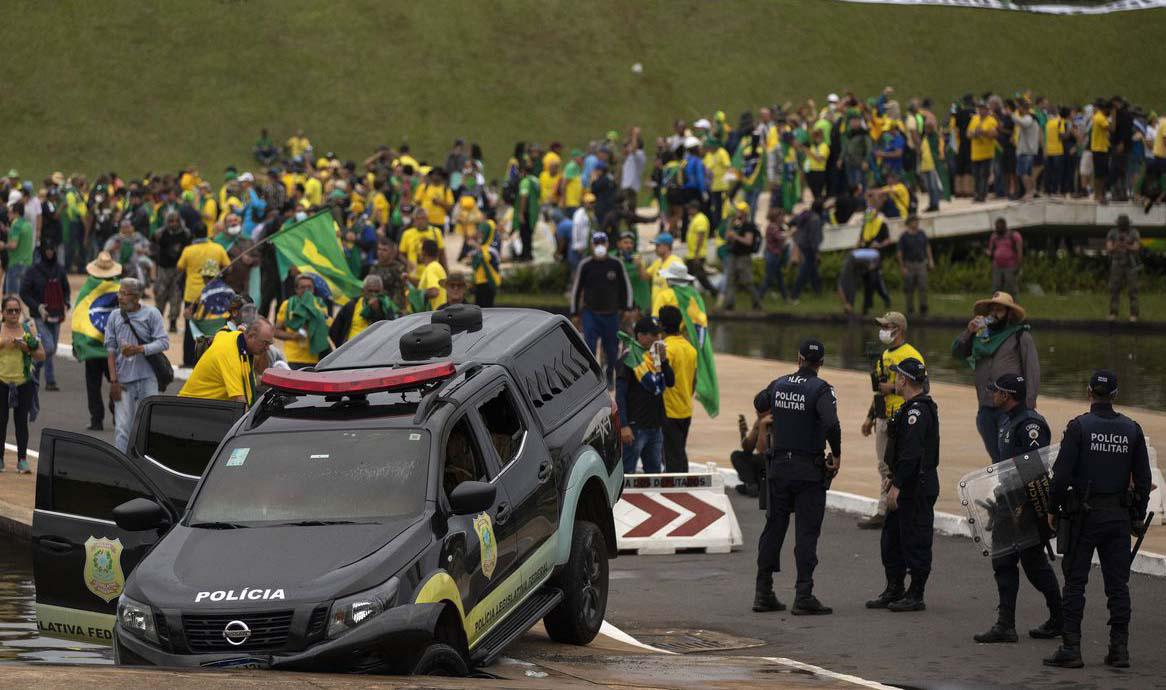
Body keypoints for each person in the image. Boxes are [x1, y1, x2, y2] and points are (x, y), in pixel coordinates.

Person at [1044, 371, 1152, 669]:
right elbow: (1143, 479)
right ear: (1115, 395)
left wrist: (1052, 509)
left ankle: (1071, 648)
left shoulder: (1079, 427)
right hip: (1117, 516)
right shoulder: (1132, 429)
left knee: (1075, 583)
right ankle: (1119, 650)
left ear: (1089, 391)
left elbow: (1061, 475)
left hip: (1083, 516)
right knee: (1118, 584)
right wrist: (1136, 515)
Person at [972, 374, 1062, 644]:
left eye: (997, 391)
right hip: (1006, 501)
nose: (993, 395)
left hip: (1023, 504)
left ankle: (1059, 617)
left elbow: (1033, 470)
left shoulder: (1030, 425)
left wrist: (1025, 506)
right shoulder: (1005, 420)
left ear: (1008, 395)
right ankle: (1005, 624)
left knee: (1034, 564)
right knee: (1003, 561)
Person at [753, 339, 840, 615]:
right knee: (806, 533)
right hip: (808, 471)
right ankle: (803, 594)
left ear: (798, 357)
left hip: (779, 467)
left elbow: (759, 401)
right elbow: (831, 423)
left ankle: (763, 591)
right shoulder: (821, 389)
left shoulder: (779, 384)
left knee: (773, 528)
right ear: (821, 363)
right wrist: (836, 454)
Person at [864, 358, 938, 613]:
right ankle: (894, 587)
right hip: (904, 481)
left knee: (916, 538)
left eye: (897, 376)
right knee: (892, 538)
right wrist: (890, 476)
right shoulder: (909, 408)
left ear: (904, 380)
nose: (895, 380)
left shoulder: (918, 411)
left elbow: (912, 454)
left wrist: (897, 485)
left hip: (916, 485)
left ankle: (916, 593)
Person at [952, 291, 1040, 463]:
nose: (994, 313)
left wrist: (1028, 406)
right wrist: (968, 332)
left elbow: (1032, 372)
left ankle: (1016, 489)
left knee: (1013, 458)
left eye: (999, 310)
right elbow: (958, 352)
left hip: (1011, 409)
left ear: (1009, 314)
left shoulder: (1020, 335)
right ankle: (1003, 488)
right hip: (985, 407)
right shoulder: (980, 336)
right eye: (992, 309)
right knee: (997, 459)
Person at [858, 312, 923, 530]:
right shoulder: (884, 355)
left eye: (887, 326)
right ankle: (885, 509)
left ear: (899, 328)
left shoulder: (911, 354)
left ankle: (893, 509)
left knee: (900, 464)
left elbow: (924, 386)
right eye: (882, 326)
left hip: (902, 416)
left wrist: (894, 388)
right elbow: (879, 390)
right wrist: (870, 417)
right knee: (884, 465)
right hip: (883, 417)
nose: (883, 330)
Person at [103, 278, 169, 452]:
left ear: (137, 297)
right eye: (120, 292)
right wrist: (113, 381)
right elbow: (110, 350)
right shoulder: (114, 316)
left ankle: (145, 464)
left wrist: (140, 349)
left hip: (148, 379)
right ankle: (122, 467)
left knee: (148, 425)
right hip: (123, 382)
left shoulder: (152, 314)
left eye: (125, 294)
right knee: (122, 428)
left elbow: (163, 342)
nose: (120, 297)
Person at [570, 232, 631, 388]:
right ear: (592, 245)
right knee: (589, 347)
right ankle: (593, 378)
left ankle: (610, 373)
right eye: (596, 243)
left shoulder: (616, 264)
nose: (599, 247)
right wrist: (574, 313)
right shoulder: (586, 265)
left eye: (602, 243)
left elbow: (626, 287)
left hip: (611, 315)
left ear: (607, 245)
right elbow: (576, 289)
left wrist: (627, 308)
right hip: (590, 314)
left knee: (611, 350)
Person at [616, 316, 674, 474]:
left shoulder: (655, 359)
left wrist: (663, 361)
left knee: (654, 473)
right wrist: (624, 425)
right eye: (653, 335)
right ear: (640, 335)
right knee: (627, 473)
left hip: (655, 426)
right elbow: (620, 395)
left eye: (659, 335)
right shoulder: (629, 358)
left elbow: (670, 382)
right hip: (635, 427)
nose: (658, 339)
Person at [180, 319, 274, 405]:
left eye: (269, 344)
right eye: (264, 343)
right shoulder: (231, 355)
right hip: (191, 408)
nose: (267, 348)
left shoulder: (236, 338)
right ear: (251, 336)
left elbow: (222, 331)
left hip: (206, 407)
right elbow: (240, 402)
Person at [0, 295, 43, 473]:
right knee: (1, 421)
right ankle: (0, 458)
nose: (13, 314)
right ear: (3, 312)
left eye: (16, 310)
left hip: (23, 382)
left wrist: (26, 347)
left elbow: (42, 355)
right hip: (1, 381)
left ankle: (22, 459)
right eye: (9, 311)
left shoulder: (27, 329)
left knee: (21, 422)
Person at [20, 242, 69, 392]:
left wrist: (66, 303)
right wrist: (38, 307)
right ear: (42, 252)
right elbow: (24, 292)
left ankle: (49, 380)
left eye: (51, 250)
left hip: (56, 314)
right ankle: (32, 370)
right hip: (39, 316)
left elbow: (65, 288)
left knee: (50, 350)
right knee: (48, 346)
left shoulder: (59, 269)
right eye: (47, 250)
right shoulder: (33, 271)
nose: (49, 253)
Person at [659, 305, 696, 473]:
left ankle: (678, 493)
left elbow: (661, 379)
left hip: (669, 409)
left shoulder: (665, 349)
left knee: (672, 457)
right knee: (679, 451)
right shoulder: (690, 349)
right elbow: (693, 380)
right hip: (686, 408)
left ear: (661, 325)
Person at [275, 273, 332, 369]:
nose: (306, 290)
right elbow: (276, 331)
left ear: (313, 289)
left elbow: (325, 328)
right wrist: (293, 336)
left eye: (309, 287)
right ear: (296, 289)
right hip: (292, 357)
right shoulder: (288, 305)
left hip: (314, 358)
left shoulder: (320, 305)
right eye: (302, 287)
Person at [328, 274, 395, 347]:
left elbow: (388, 331)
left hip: (373, 348)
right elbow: (335, 330)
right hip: (350, 348)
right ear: (363, 291)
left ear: (381, 291)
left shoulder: (386, 307)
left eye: (376, 292)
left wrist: (377, 311)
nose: (373, 294)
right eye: (370, 291)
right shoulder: (352, 305)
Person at [152, 212, 192, 332]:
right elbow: (153, 248)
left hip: (178, 270)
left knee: (176, 296)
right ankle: (156, 324)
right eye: (171, 221)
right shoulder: (160, 233)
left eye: (176, 221)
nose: (173, 224)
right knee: (160, 295)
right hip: (163, 269)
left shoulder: (186, 234)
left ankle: (173, 323)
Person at [721, 201, 761, 311]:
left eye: (739, 211)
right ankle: (729, 304)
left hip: (743, 256)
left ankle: (756, 302)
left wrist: (736, 237)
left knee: (746, 281)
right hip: (733, 255)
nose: (737, 212)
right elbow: (727, 238)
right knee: (731, 280)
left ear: (743, 212)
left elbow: (748, 241)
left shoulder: (748, 226)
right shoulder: (736, 225)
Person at [896, 215, 933, 317]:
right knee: (909, 288)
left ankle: (923, 308)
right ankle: (910, 309)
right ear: (908, 223)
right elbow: (900, 253)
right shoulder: (904, 237)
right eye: (914, 221)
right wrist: (902, 266)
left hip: (921, 263)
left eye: (917, 221)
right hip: (909, 264)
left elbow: (927, 247)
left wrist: (930, 260)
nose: (916, 223)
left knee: (923, 286)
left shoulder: (922, 234)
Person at [1105, 214, 1140, 322]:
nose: (1122, 226)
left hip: (1130, 263)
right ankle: (1113, 313)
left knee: (1133, 289)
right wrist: (1116, 245)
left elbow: (1136, 247)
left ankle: (1133, 314)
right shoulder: (1112, 232)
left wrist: (1127, 246)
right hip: (1117, 262)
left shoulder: (1134, 232)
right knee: (1114, 289)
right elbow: (1109, 248)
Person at [788, 201, 823, 303]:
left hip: (801, 243)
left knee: (813, 270)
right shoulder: (816, 219)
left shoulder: (806, 214)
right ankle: (794, 294)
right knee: (805, 271)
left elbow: (792, 221)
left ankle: (817, 291)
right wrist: (817, 252)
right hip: (809, 247)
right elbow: (814, 238)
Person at [753, 207, 788, 305]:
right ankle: (759, 297)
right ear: (776, 217)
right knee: (768, 278)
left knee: (779, 278)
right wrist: (789, 233)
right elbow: (779, 238)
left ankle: (785, 297)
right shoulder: (773, 227)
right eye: (781, 216)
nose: (783, 218)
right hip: (772, 255)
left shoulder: (775, 226)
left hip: (774, 255)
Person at [368, 236, 409, 313]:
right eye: (379, 249)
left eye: (384, 250)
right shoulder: (374, 268)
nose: (380, 252)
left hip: (395, 310)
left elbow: (405, 288)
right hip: (377, 309)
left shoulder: (398, 268)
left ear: (391, 252)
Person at [643, 232, 684, 308]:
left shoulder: (676, 262)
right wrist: (639, 265)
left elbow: (681, 288)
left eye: (658, 245)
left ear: (667, 246)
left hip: (669, 309)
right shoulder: (657, 262)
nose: (655, 248)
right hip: (656, 308)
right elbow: (645, 277)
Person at [683, 200, 716, 293]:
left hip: (697, 254)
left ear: (695, 209)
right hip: (692, 254)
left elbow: (700, 237)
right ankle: (691, 293)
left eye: (690, 208)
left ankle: (714, 292)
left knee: (699, 277)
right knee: (690, 276)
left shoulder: (700, 219)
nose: (688, 210)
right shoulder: (695, 218)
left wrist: (696, 254)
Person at [968, 101, 998, 202]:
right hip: (975, 153)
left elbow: (994, 134)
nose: (981, 110)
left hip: (987, 153)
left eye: (983, 108)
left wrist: (983, 132)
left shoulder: (992, 120)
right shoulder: (974, 119)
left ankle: (982, 195)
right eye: (980, 108)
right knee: (976, 176)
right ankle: (977, 194)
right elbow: (968, 133)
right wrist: (974, 133)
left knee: (984, 175)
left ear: (987, 110)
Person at [987, 219, 1023, 296]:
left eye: (999, 227)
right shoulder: (994, 236)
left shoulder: (1013, 235)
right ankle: (995, 304)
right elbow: (991, 251)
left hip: (1010, 266)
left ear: (1004, 226)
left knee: (1010, 288)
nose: (997, 229)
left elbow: (1019, 251)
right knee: (996, 288)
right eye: (996, 227)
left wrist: (1018, 265)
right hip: (997, 266)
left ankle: (1012, 305)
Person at [5, 202, 34, 294]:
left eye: (10, 212)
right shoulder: (27, 225)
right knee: (23, 296)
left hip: (15, 264)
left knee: (12, 296)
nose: (8, 214)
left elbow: (13, 245)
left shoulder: (16, 225)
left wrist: (3, 245)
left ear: (16, 213)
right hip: (27, 263)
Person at [416, 239, 448, 311]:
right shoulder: (437, 266)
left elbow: (434, 292)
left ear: (423, 253)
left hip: (433, 315)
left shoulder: (431, 268)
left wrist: (417, 296)